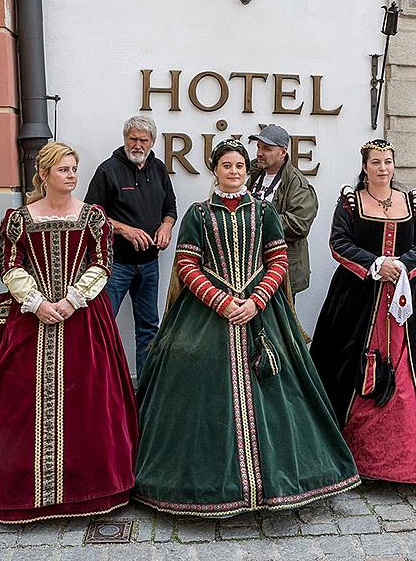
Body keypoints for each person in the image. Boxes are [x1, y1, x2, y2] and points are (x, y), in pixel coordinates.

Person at [133, 140, 359, 517]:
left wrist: (256, 301)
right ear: (215, 170)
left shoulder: (265, 211)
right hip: (206, 313)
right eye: (226, 165)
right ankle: (204, 483)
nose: (234, 171)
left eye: (239, 165)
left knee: (284, 386)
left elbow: (278, 259)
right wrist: (221, 301)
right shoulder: (198, 214)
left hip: (263, 313)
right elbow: (187, 265)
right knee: (194, 370)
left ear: (246, 169)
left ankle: (284, 480)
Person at [0, 142, 137, 523]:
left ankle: (89, 490)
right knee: (16, 402)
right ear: (45, 174)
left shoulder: (93, 217)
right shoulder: (19, 219)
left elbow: (102, 263)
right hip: (29, 320)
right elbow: (10, 264)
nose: (71, 175)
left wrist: (71, 300)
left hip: (84, 318)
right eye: (64, 169)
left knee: (90, 400)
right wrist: (36, 302)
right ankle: (19, 490)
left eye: (73, 169)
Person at [310, 139, 416, 484]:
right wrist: (376, 264)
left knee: (414, 372)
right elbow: (339, 244)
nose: (383, 168)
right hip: (358, 300)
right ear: (364, 166)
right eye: (376, 162)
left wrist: (402, 265)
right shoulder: (350, 202)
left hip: (408, 301)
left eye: (388, 161)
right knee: (348, 367)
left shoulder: (411, 201)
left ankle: (414, 458)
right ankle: (351, 455)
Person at [85, 115, 177, 376]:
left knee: (149, 328)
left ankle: (145, 394)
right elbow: (92, 214)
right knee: (103, 327)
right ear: (125, 139)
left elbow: (170, 207)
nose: (137, 144)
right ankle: (105, 390)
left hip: (149, 264)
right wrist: (124, 229)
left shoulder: (159, 169)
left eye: (143, 140)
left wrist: (166, 226)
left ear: (152, 142)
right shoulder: (108, 170)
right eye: (133, 139)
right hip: (116, 266)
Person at [248, 124, 318, 299]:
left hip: (282, 272)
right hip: (253, 270)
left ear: (282, 152)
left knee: (280, 325)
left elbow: (299, 224)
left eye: (267, 148)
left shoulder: (297, 183)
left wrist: (258, 218)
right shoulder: (254, 174)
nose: (259, 153)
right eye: (258, 147)